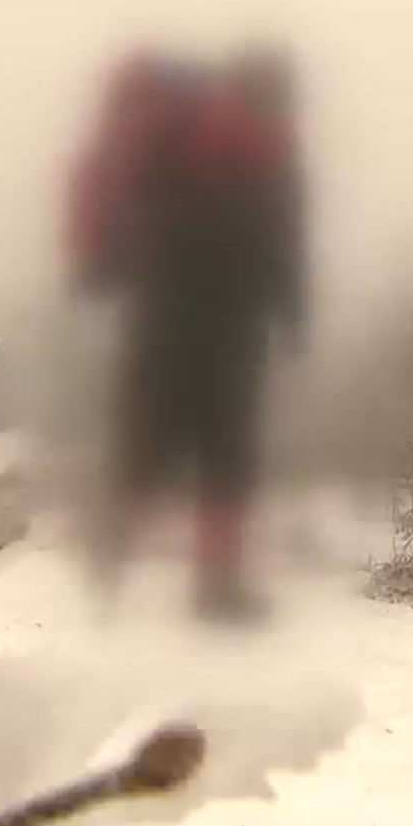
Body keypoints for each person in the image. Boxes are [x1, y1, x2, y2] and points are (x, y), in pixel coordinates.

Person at [66, 41, 308, 623]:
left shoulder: (182, 138)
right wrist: (292, 306)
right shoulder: (259, 146)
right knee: (225, 452)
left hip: (165, 315)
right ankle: (213, 586)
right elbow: (280, 237)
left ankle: (109, 567)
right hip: (227, 319)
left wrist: (109, 272)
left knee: (149, 447)